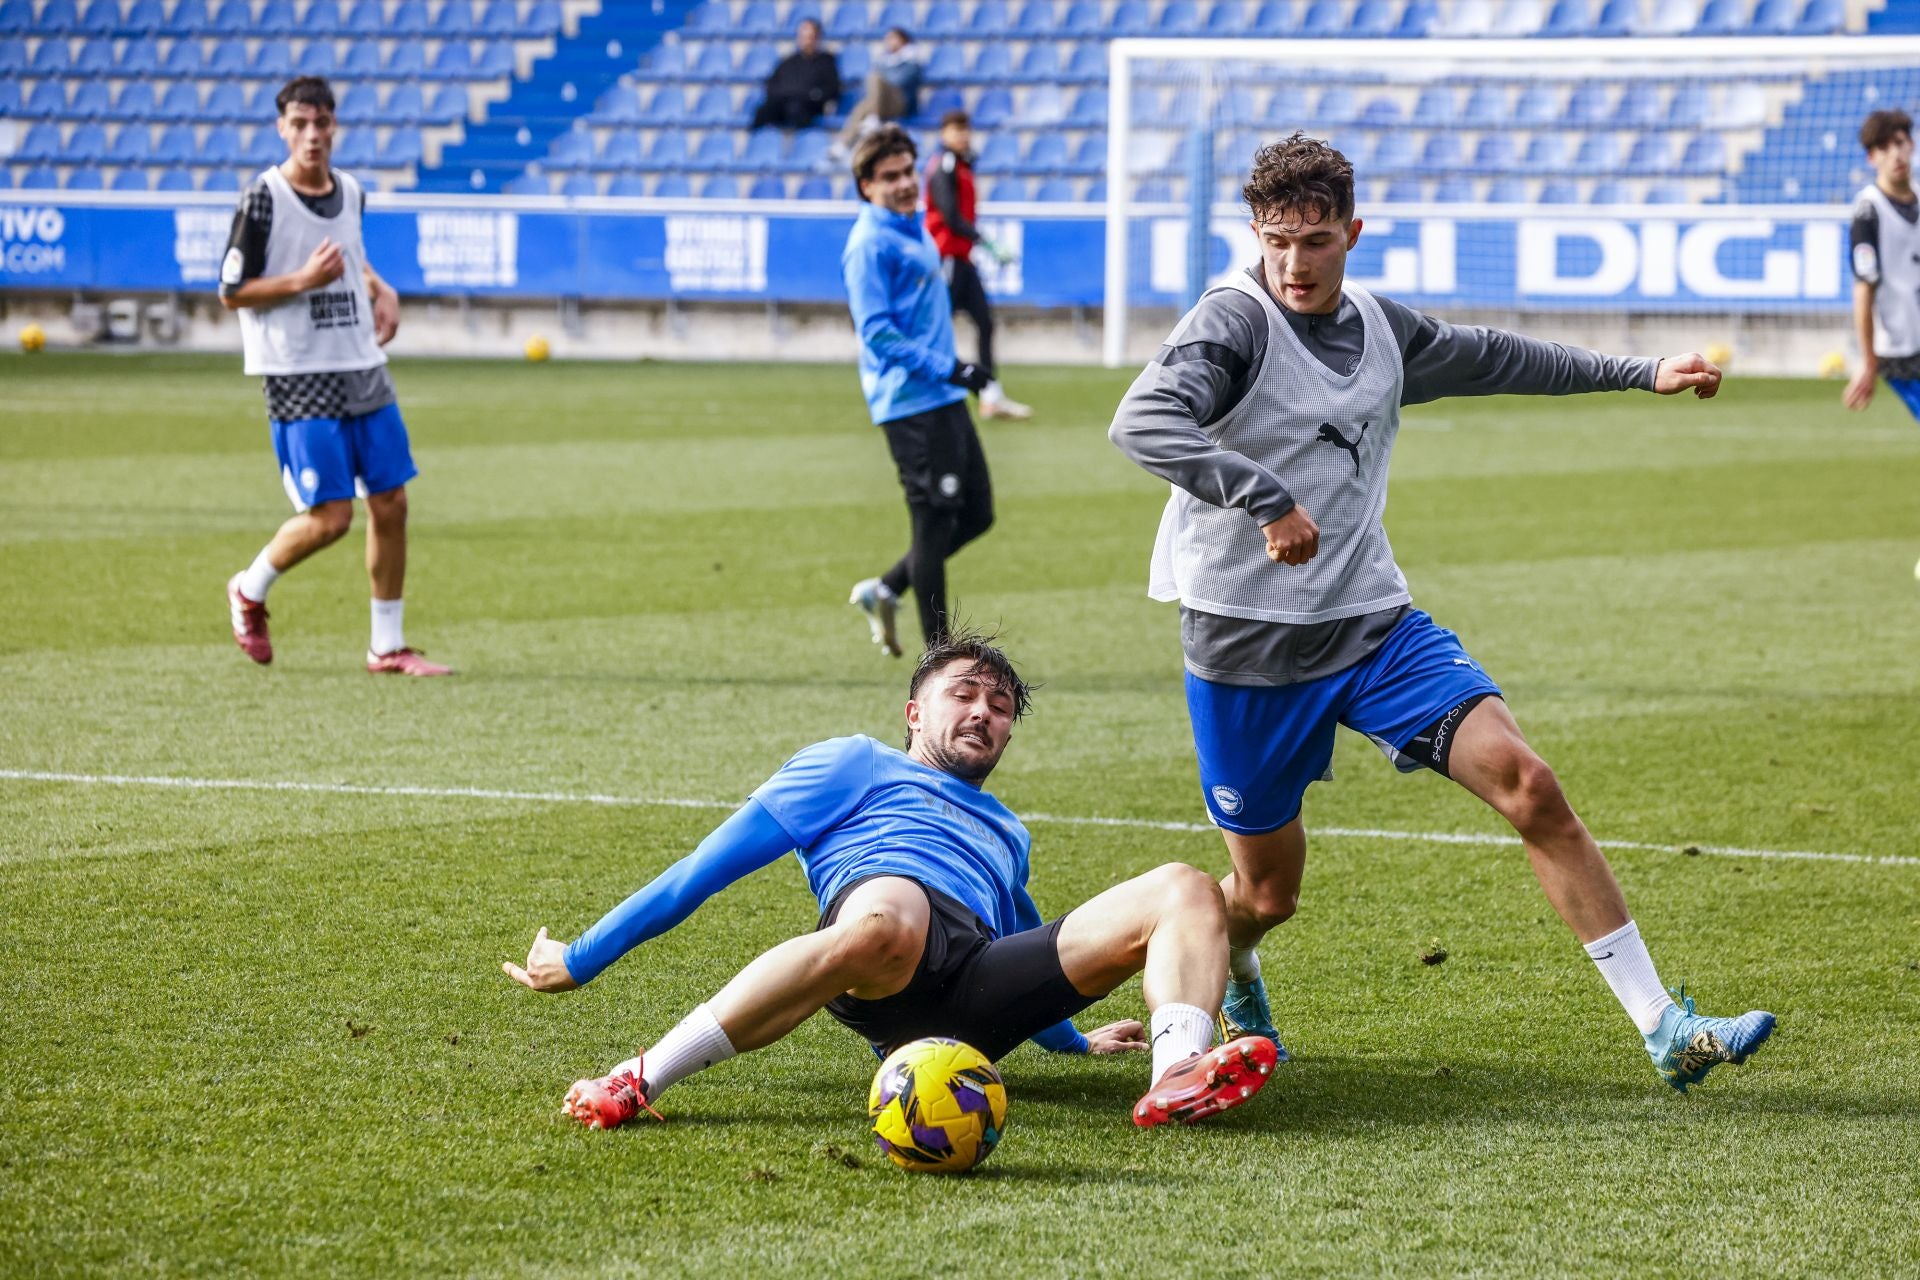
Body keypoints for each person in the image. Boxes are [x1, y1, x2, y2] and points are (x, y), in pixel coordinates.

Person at [1108, 133, 1774, 1093]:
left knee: (1529, 784)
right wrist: (1262, 496)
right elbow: (1143, 420)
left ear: (1355, 233)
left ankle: (1665, 1026)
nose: (1293, 263)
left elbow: (1500, 355)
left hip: (1372, 621)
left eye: (1317, 240)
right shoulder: (1233, 323)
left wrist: (1642, 369)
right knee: (1265, 895)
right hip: (1246, 643)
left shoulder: (1382, 328)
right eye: (1276, 239)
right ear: (1255, 233)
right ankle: (1238, 960)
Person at [502, 633, 1281, 1130]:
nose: (984, 713)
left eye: (1001, 705)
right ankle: (640, 1078)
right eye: (964, 695)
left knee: (1186, 884)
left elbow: (1024, 934)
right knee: (894, 912)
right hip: (881, 957)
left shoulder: (1007, 830)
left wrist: (1072, 1040)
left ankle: (1177, 1072)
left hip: (975, 989)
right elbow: (698, 873)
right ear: (914, 712)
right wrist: (581, 959)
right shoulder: (851, 763)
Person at [218, 76, 449, 677]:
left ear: (334, 125)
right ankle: (249, 588)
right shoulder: (262, 198)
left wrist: (379, 287)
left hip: (360, 362)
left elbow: (348, 250)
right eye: (300, 124)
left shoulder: (350, 191)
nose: (312, 135)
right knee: (331, 518)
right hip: (298, 373)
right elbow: (231, 290)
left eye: (321, 123)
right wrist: (300, 282)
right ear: (282, 128)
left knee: (392, 502)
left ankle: (386, 647)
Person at [840, 126, 997, 658]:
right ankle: (940, 663)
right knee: (932, 524)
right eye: (890, 177)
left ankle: (885, 588)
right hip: (911, 402)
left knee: (977, 512)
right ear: (866, 186)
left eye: (908, 171)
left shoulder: (912, 224)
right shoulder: (869, 245)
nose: (905, 183)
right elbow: (878, 334)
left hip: (941, 394)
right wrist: (950, 367)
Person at [925, 109, 1033, 421]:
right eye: (955, 129)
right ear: (944, 133)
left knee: (984, 322)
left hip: (961, 258)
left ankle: (990, 395)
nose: (962, 135)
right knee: (937, 326)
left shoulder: (962, 165)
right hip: (946, 256)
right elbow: (949, 215)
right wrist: (984, 240)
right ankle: (932, 393)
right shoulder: (944, 165)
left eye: (965, 129)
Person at [1843, 110, 1920, 431]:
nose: (1895, 154)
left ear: (1911, 144)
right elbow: (1863, 291)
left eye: (1899, 143)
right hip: (1900, 351)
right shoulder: (1868, 211)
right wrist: (1869, 361)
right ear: (1871, 158)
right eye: (1884, 148)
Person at [831, 27, 924, 157]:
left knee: (875, 78)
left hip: (901, 103)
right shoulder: (885, 60)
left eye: (892, 38)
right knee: (863, 105)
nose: (889, 42)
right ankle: (844, 143)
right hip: (882, 103)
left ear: (902, 40)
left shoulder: (912, 61)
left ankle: (872, 118)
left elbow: (898, 81)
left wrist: (884, 76)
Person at [749, 17, 840, 131]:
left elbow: (831, 90)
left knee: (795, 110)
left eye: (809, 37)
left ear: (817, 38)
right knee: (763, 112)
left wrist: (810, 96)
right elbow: (772, 85)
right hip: (782, 104)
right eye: (802, 37)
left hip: (806, 108)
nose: (805, 41)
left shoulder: (826, 62)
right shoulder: (789, 62)